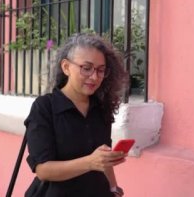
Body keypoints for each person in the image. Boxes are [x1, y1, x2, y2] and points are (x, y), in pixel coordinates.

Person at [24, 33, 128, 197]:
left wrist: (113, 188)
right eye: (86, 68)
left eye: (101, 70)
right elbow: (43, 170)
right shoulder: (45, 107)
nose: (94, 77)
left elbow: (103, 159)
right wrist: (90, 162)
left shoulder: (100, 108)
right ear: (66, 67)